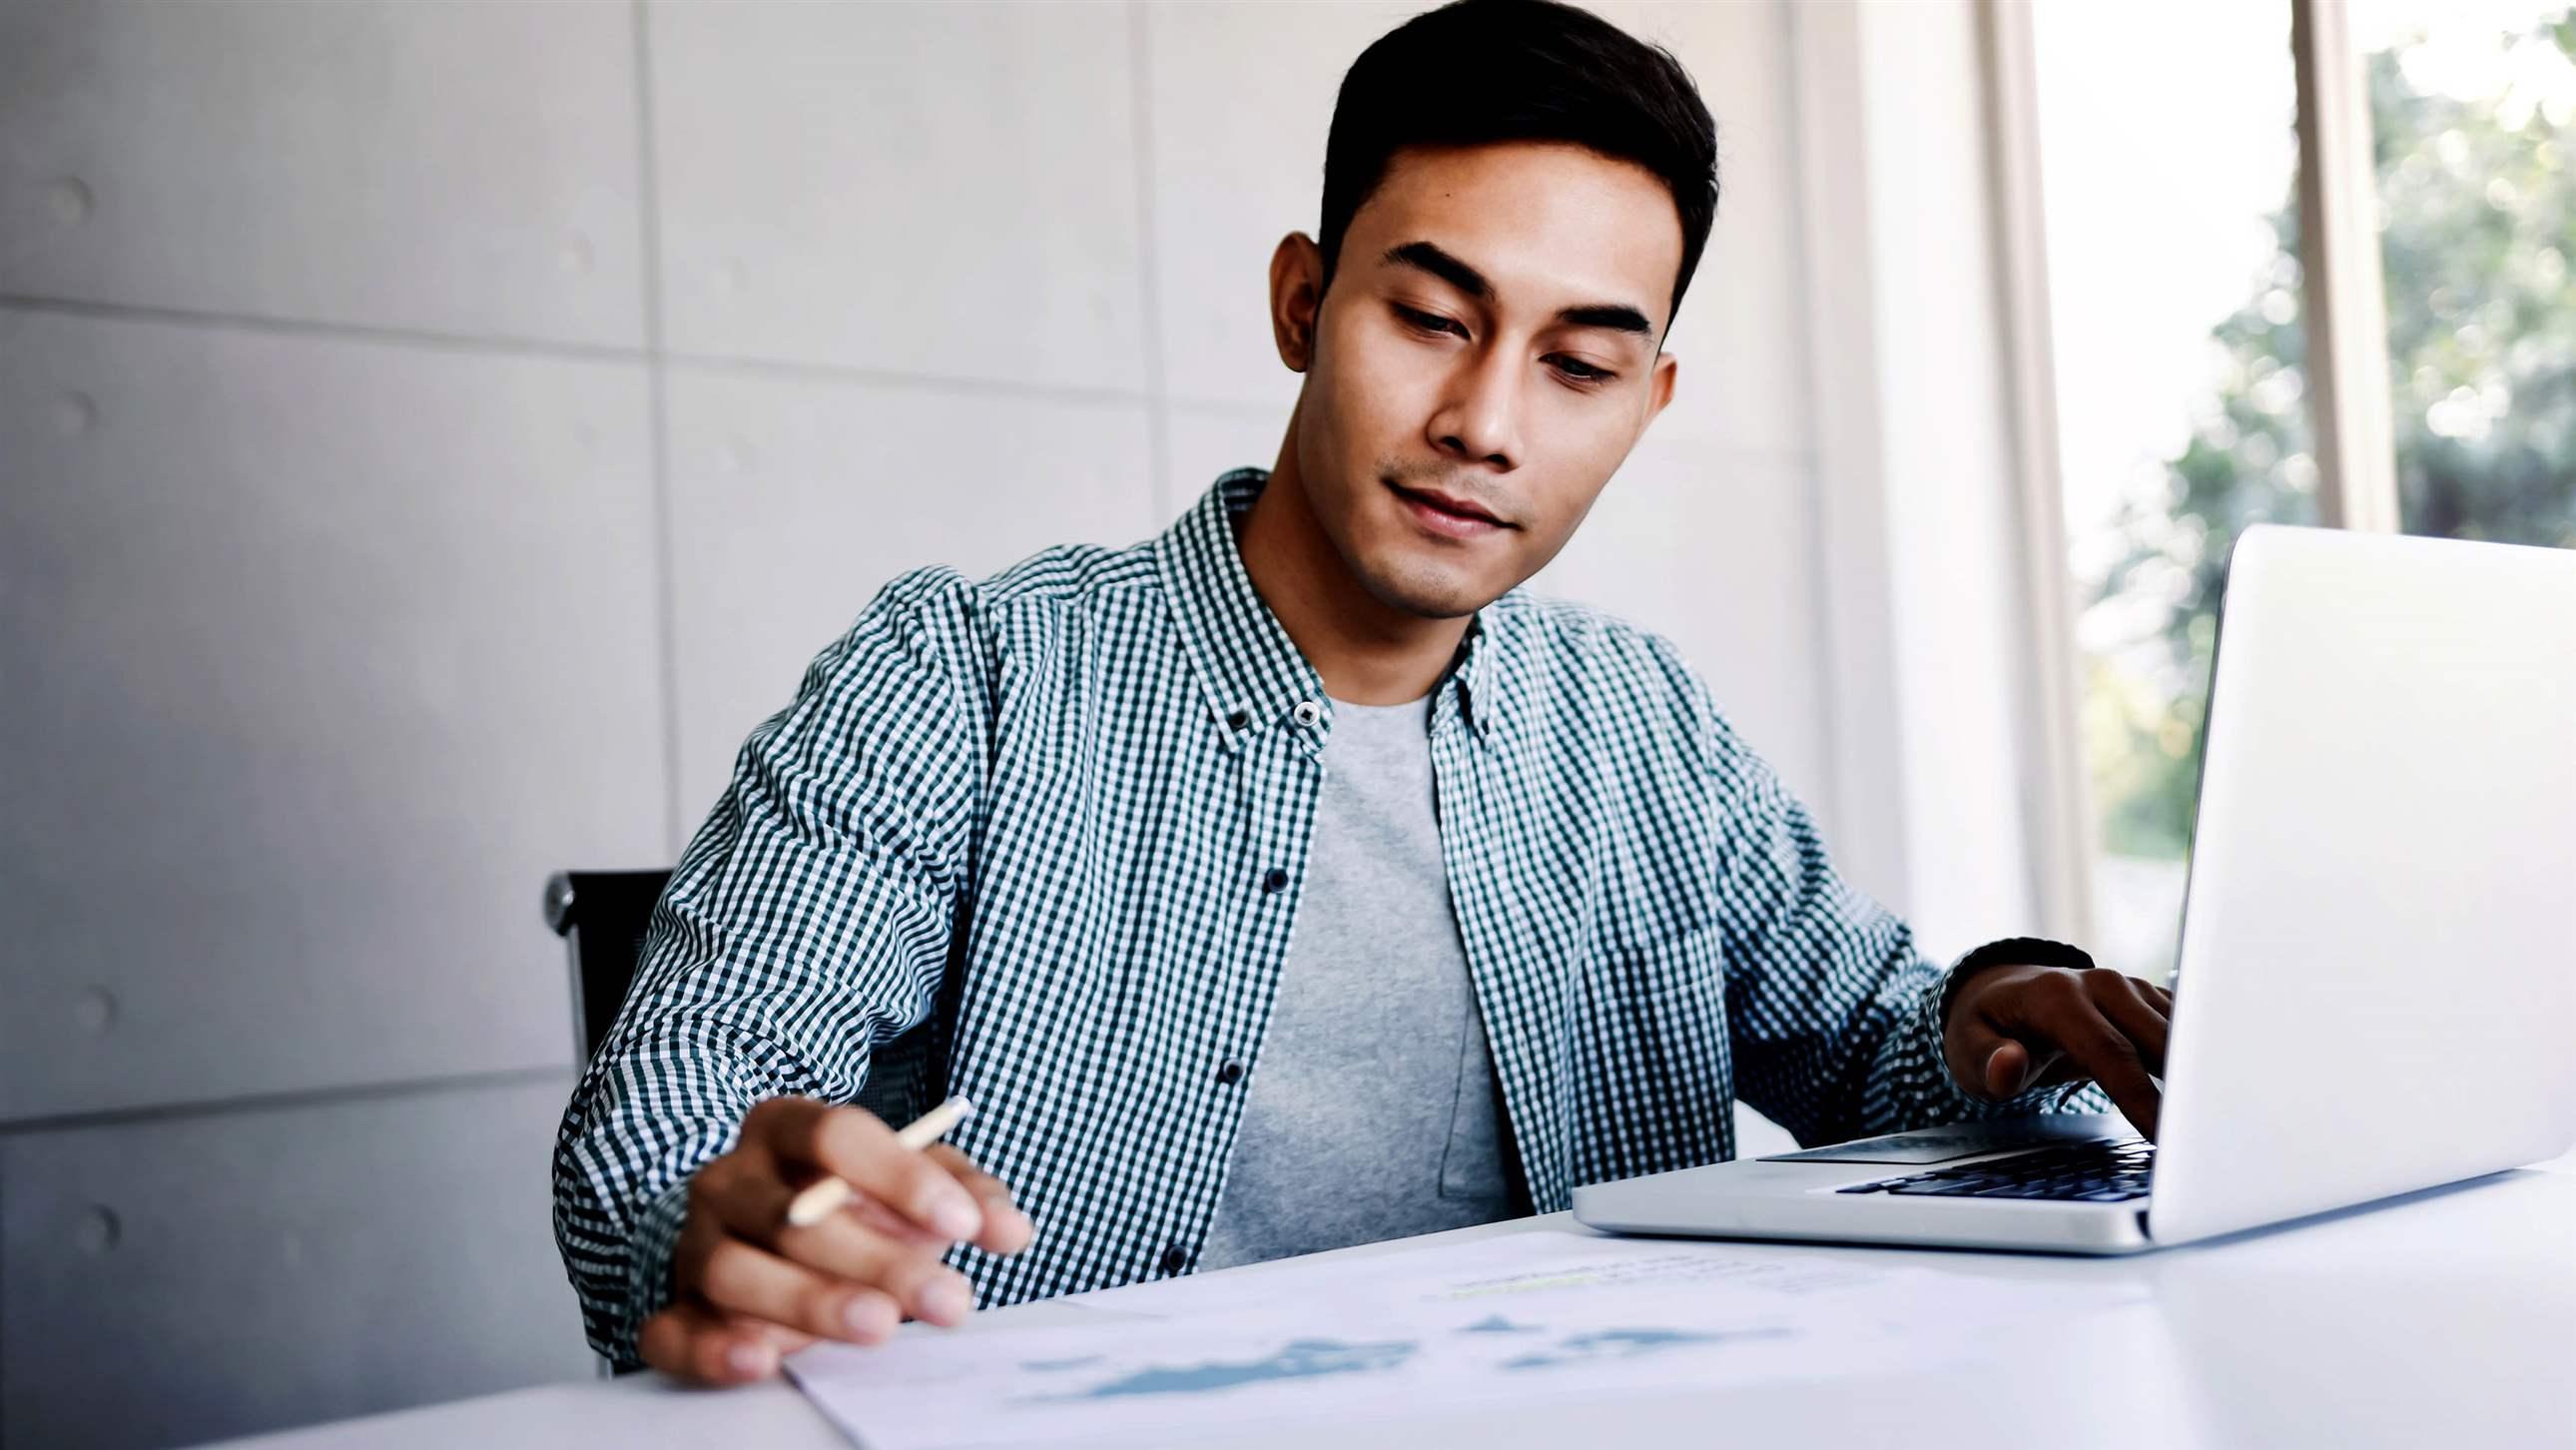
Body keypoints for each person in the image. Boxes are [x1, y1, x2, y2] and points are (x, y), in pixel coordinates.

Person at [551, 0, 2171, 1386]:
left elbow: (1878, 1057)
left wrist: (2000, 1013)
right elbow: (660, 1137)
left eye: (1581, 367)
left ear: (1650, 400)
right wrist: (723, 1220)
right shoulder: (965, 677)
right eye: (1430, 317)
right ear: (1303, 304)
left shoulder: (1642, 726)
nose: (1486, 422)